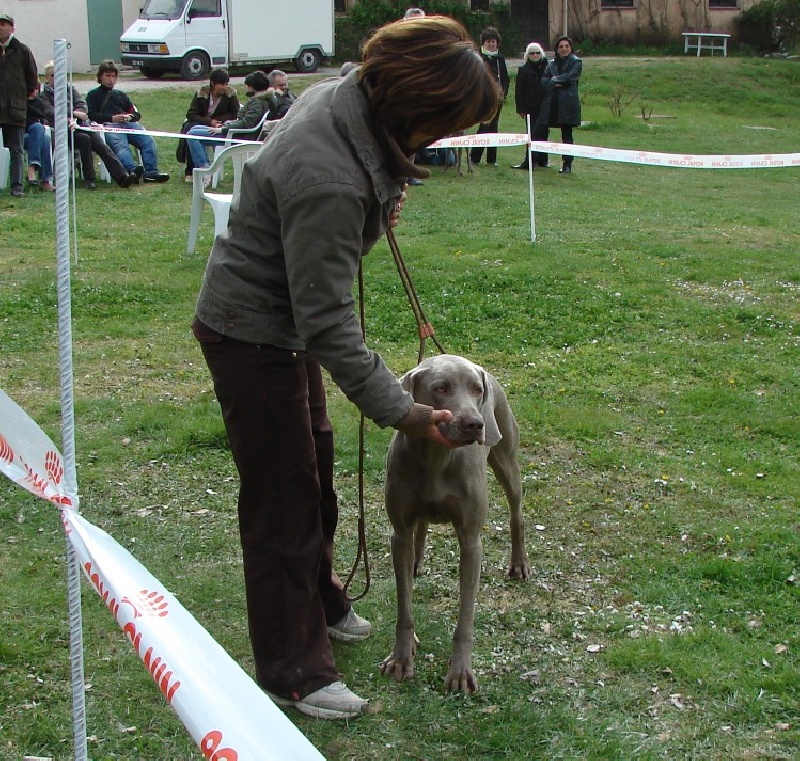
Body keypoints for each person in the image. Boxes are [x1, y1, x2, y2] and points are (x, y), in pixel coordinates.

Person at [192, 15, 499, 721]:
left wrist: (389, 179)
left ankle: (324, 599)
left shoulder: (352, 98)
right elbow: (329, 322)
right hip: (252, 331)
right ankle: (293, 669)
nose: (443, 139)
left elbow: (320, 307)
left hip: (285, 324)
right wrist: (405, 409)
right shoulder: (327, 176)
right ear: (415, 102)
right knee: (283, 497)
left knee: (315, 461)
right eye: (444, 122)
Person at [40, 62, 131, 190]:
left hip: (78, 126)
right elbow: (50, 112)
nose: (57, 78)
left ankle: (122, 176)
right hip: (60, 131)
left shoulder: (70, 89)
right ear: (47, 77)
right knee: (84, 139)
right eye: (53, 75)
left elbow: (82, 104)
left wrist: (78, 114)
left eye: (60, 75)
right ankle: (89, 179)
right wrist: (72, 113)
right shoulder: (44, 95)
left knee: (97, 141)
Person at [86, 60, 169, 183]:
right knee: (121, 146)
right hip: (108, 126)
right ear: (100, 77)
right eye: (107, 76)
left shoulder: (121, 95)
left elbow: (136, 113)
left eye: (114, 76)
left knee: (148, 141)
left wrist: (129, 117)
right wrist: (112, 118)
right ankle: (132, 170)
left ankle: (151, 172)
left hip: (128, 124)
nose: (111, 79)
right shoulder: (93, 95)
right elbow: (91, 115)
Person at [185, 70, 271, 176]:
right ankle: (204, 166)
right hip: (234, 132)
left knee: (192, 135)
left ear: (252, 87)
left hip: (235, 136)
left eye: (247, 85)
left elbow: (246, 124)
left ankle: (205, 169)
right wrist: (227, 124)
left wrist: (222, 129)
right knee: (193, 130)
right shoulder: (259, 100)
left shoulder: (257, 103)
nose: (246, 88)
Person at [178, 67, 240, 182]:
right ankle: (191, 169)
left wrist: (218, 121)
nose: (225, 87)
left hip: (220, 126)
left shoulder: (230, 95)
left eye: (226, 84)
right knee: (189, 131)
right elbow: (191, 114)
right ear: (213, 83)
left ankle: (203, 169)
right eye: (222, 84)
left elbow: (234, 113)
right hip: (201, 122)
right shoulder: (201, 94)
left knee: (192, 135)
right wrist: (209, 122)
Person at [0, 13, 38, 197]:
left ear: (12, 28)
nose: (0, 28)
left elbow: (32, 79)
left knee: (16, 148)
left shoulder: (22, 50)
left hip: (15, 108)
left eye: (3, 24)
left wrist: (22, 98)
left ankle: (16, 186)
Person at [538, 36, 582, 174]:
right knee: (542, 130)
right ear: (557, 49)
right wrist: (555, 82)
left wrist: (556, 79)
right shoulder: (551, 64)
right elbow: (544, 81)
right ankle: (540, 160)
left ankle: (567, 164)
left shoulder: (577, 62)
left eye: (566, 46)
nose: (564, 49)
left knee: (567, 134)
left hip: (568, 104)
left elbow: (572, 77)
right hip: (552, 103)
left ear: (570, 48)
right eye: (561, 47)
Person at [470, 26, 509, 167]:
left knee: (494, 128)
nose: (492, 44)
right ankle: (475, 157)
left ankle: (492, 159)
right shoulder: (478, 57)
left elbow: (505, 78)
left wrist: (503, 93)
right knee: (483, 127)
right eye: (489, 42)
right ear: (483, 43)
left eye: (494, 41)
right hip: (482, 98)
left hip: (497, 99)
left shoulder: (500, 59)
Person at [511, 42, 550, 170]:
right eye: (532, 53)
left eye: (537, 53)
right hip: (529, 107)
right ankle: (529, 161)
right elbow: (519, 91)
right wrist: (520, 109)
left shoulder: (547, 66)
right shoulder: (523, 69)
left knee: (544, 133)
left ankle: (543, 160)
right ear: (528, 55)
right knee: (532, 134)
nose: (535, 55)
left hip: (544, 106)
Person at [25, 83, 55, 191]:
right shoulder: (19, 103)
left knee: (45, 138)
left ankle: (43, 178)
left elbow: (42, 119)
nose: (34, 92)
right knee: (38, 128)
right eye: (31, 89)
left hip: (35, 137)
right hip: (20, 136)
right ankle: (35, 170)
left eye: (36, 89)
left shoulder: (38, 103)